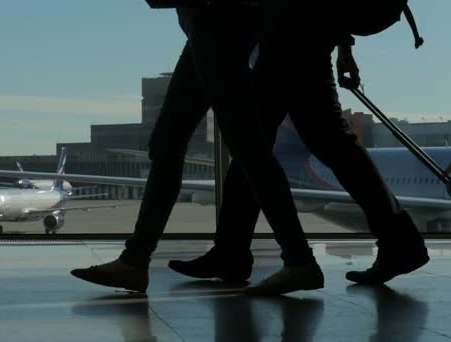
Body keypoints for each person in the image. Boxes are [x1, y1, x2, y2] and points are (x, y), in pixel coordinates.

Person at [170, 0, 429, 293]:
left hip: (292, 30)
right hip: (299, 28)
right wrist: (344, 46)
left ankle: (233, 252)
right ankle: (231, 250)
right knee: (281, 140)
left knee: (274, 139)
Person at [70, 5, 325, 294]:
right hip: (210, 25)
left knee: (245, 147)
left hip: (216, 22)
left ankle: (299, 260)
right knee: (174, 142)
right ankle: (135, 261)